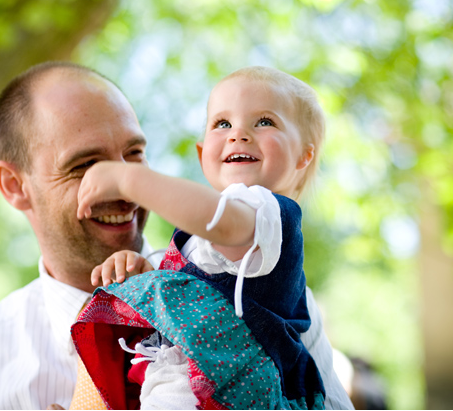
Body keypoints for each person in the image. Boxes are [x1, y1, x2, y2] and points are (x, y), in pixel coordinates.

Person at [0, 62, 353, 410]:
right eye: (87, 166)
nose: (122, 186)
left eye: (134, 156)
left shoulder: (270, 304)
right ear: (15, 187)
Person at [72, 66, 343, 409]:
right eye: (222, 124)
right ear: (202, 155)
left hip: (235, 393)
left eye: (264, 121)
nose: (239, 133)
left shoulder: (268, 214)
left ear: (304, 154)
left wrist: (130, 180)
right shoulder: (201, 237)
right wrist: (148, 276)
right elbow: (197, 287)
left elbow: (222, 222)